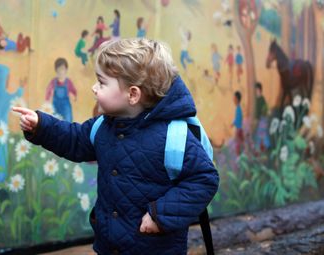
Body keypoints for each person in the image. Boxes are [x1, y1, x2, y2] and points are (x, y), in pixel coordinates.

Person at [13, 38, 219, 255]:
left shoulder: (173, 137)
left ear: (132, 94)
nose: (94, 88)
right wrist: (41, 126)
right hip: (109, 245)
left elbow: (204, 180)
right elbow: (74, 140)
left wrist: (161, 216)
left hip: (154, 247)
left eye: (101, 83)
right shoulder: (104, 126)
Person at [254, 82, 270, 152]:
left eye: (257, 90)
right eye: (255, 90)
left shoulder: (261, 99)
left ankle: (261, 147)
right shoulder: (256, 99)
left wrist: (263, 116)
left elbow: (265, 109)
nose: (256, 91)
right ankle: (265, 146)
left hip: (263, 118)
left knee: (261, 132)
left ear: (259, 90)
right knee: (262, 133)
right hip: (260, 119)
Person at [232, 91, 244, 155]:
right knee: (240, 142)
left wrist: (234, 123)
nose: (233, 100)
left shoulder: (238, 109)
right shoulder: (238, 108)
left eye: (234, 98)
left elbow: (238, 120)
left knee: (238, 143)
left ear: (237, 99)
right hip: (239, 129)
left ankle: (239, 154)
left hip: (239, 129)